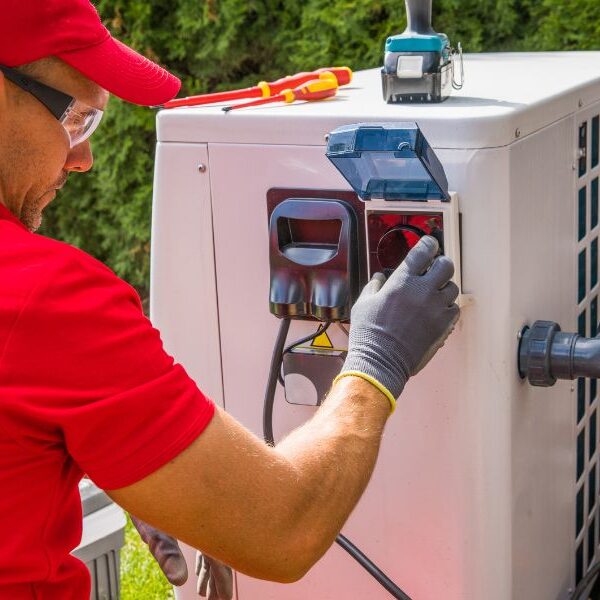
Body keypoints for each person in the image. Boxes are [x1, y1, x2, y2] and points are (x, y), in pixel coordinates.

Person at [0, 1, 460, 599]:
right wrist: (377, 361)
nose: (84, 159)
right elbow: (281, 527)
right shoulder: (45, 297)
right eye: (77, 119)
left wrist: (126, 448)